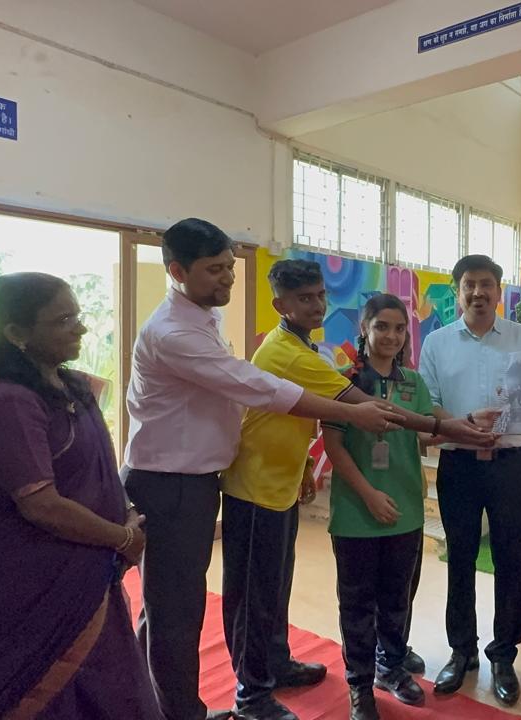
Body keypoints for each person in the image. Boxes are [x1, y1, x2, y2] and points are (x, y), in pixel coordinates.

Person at [123, 219, 402, 720]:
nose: (228, 278)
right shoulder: (174, 332)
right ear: (177, 271)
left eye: (229, 267)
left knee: (201, 600)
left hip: (207, 480)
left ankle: (230, 679)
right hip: (171, 486)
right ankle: (196, 708)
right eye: (214, 270)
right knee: (178, 610)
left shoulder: (203, 318)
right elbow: (256, 388)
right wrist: (357, 412)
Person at [221, 260, 492, 720]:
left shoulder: (328, 356)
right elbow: (366, 414)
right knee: (260, 598)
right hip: (259, 490)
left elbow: (294, 416)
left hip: (285, 487)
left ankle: (288, 664)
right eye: (304, 299)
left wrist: (456, 425)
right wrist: (453, 429)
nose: (317, 305)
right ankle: (255, 694)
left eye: (320, 295)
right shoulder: (314, 362)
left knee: (283, 591)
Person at [0, 273, 162, 719]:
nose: (80, 328)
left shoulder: (71, 387)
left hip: (88, 569)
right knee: (39, 693)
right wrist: (123, 538)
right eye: (62, 320)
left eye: (77, 316)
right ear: (16, 332)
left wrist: (125, 517)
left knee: (113, 689)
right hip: (34, 576)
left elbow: (98, 470)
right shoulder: (6, 400)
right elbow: (41, 505)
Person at [420, 254, 521, 708]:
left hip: (512, 465)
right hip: (459, 465)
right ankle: (461, 652)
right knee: (459, 557)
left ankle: (503, 656)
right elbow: (428, 404)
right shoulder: (437, 343)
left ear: (499, 291)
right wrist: (463, 424)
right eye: (469, 285)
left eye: (486, 284)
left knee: (509, 560)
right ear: (457, 291)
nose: (478, 292)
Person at [321, 294, 437, 720]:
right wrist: (368, 494)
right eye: (382, 326)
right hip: (357, 513)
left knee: (397, 599)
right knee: (356, 604)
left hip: (405, 511)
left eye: (399, 328)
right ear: (365, 330)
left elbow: (427, 431)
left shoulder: (414, 383)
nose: (391, 335)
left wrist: (474, 424)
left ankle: (391, 667)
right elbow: (333, 445)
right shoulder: (344, 383)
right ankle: (359, 685)